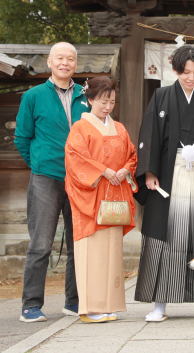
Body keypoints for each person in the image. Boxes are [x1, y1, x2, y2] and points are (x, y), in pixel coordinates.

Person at [133, 45, 194, 322]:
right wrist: (149, 172)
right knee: (163, 236)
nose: (191, 78)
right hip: (168, 174)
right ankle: (159, 304)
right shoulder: (162, 96)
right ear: (176, 70)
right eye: (186, 72)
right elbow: (149, 134)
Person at [14, 42, 86, 322]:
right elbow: (22, 137)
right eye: (59, 58)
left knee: (77, 242)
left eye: (70, 58)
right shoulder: (33, 96)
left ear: (76, 64)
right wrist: (40, 164)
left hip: (80, 179)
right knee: (41, 243)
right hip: (46, 177)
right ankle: (31, 304)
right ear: (49, 62)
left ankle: (74, 301)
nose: (65, 62)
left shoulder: (86, 95)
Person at [64, 77, 137, 323]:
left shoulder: (120, 128)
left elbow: (131, 154)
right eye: (103, 101)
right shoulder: (80, 128)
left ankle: (109, 304)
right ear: (90, 100)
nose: (108, 107)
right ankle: (89, 307)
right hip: (92, 195)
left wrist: (125, 170)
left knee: (112, 249)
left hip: (115, 194)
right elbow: (75, 160)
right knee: (91, 250)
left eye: (112, 102)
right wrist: (104, 172)